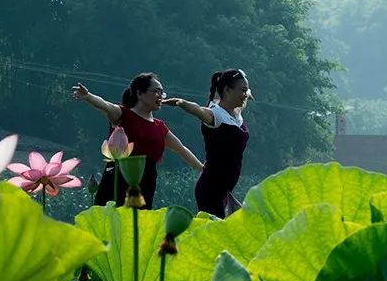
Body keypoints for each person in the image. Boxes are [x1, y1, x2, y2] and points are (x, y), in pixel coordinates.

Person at [72, 73, 204, 209]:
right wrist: (88, 97)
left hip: (145, 183)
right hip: (118, 177)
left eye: (162, 92)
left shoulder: (160, 127)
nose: (160, 96)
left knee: (137, 225)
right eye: (156, 91)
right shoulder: (123, 114)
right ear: (140, 94)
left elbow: (182, 150)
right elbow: (104, 105)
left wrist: (204, 171)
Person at [162, 69, 252, 218]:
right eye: (242, 90)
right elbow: (197, 110)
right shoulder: (215, 115)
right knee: (215, 235)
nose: (245, 94)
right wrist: (181, 102)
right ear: (227, 90)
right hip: (211, 189)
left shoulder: (236, 113)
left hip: (226, 190)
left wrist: (246, 92)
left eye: (246, 91)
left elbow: (246, 97)